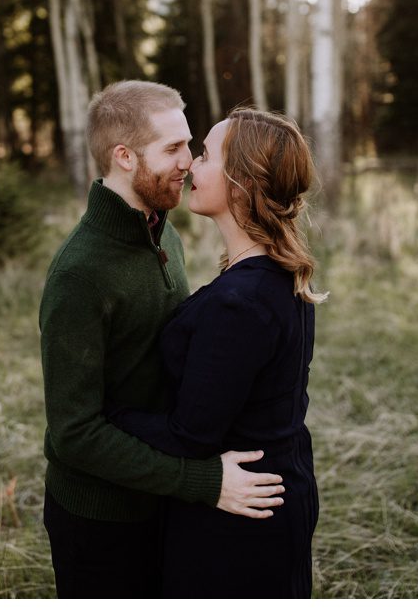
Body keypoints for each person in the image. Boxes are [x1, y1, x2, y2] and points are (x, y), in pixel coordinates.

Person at [39, 81, 285, 598]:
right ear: (124, 157)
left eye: (191, 145)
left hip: (163, 499)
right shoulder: (79, 276)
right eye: (173, 148)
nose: (189, 162)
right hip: (103, 520)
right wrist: (201, 480)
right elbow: (74, 433)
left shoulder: (161, 228)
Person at [110, 107, 325, 597]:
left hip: (238, 519)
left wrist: (108, 414)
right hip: (274, 490)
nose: (190, 166)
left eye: (205, 155)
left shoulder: (241, 302)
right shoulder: (276, 273)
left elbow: (191, 434)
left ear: (241, 181)